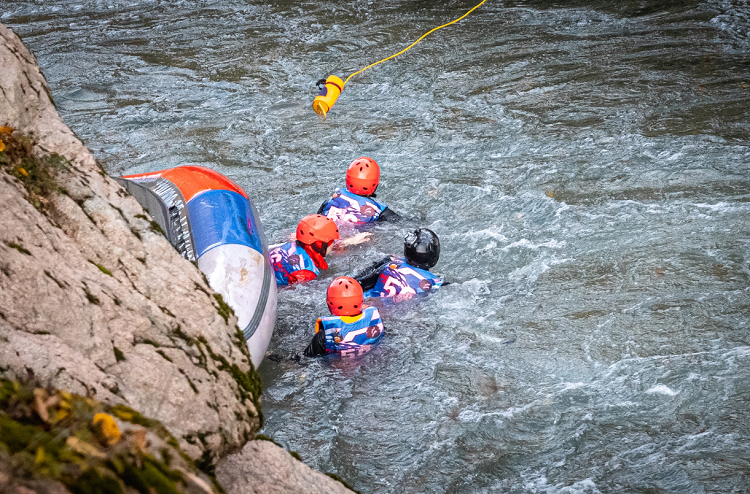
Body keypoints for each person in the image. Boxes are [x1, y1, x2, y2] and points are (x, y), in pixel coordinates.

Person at [354, 228, 444, 301]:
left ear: (406, 251)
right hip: (394, 313)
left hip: (363, 302)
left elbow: (359, 281)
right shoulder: (435, 282)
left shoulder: (389, 262)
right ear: (435, 256)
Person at [304, 277, 385, 357]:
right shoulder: (374, 317)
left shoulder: (324, 334)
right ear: (361, 300)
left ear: (330, 303)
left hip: (337, 368)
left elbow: (307, 358)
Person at [317, 157, 400, 224]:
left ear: (347, 180)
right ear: (376, 184)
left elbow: (317, 216)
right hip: (355, 240)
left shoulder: (333, 198)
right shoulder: (379, 209)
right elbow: (403, 223)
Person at [268, 214, 339, 286]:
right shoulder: (307, 272)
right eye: (331, 241)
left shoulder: (289, 245)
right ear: (319, 244)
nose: (334, 243)